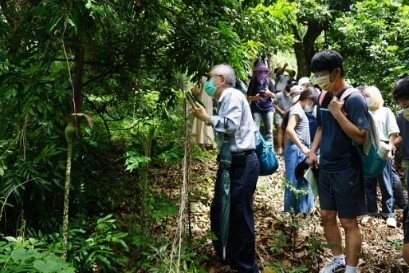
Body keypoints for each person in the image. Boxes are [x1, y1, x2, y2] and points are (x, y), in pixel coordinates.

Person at [191, 64, 260, 273]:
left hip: (243, 163)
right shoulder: (226, 98)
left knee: (240, 214)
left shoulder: (232, 95)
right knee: (222, 209)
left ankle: (247, 267)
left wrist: (206, 118)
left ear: (221, 79)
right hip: (231, 164)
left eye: (210, 78)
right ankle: (228, 255)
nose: (208, 83)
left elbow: (230, 125)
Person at [307, 50, 369, 273]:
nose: (318, 78)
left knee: (349, 221)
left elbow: (362, 136)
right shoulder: (323, 96)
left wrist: (338, 114)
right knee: (327, 215)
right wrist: (313, 151)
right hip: (326, 166)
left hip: (347, 168)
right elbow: (321, 127)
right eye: (315, 74)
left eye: (322, 73)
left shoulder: (354, 99)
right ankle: (337, 260)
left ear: (336, 72)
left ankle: (351, 269)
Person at [359, 86, 400, 228]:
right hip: (367, 150)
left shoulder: (386, 111)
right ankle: (370, 211)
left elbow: (393, 132)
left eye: (368, 95)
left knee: (386, 182)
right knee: (368, 184)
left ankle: (389, 213)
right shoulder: (364, 112)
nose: (366, 98)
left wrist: (389, 149)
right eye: (364, 96)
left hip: (383, 149)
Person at [283, 87, 316, 214]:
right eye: (313, 102)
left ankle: (302, 211)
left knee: (302, 181)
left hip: (300, 150)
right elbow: (289, 129)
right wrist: (302, 147)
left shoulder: (299, 110)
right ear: (308, 99)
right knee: (293, 181)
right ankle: (291, 212)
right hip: (296, 150)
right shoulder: (296, 110)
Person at [392, 76, 409, 265]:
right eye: (400, 100)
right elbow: (400, 137)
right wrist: (389, 145)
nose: (403, 103)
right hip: (407, 160)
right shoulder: (400, 116)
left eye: (405, 99)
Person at [247, 61, 276, 145]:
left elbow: (274, 96)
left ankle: (270, 151)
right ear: (256, 72)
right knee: (255, 129)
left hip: (268, 108)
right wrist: (258, 97)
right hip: (256, 108)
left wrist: (268, 93)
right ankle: (256, 148)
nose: (262, 73)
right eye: (260, 71)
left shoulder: (269, 81)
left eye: (264, 71)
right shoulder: (253, 82)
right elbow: (248, 98)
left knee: (269, 131)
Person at [191, 76, 214, 148]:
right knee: (208, 119)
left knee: (201, 119)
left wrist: (192, 90)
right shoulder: (213, 79)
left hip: (202, 101)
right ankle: (208, 141)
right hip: (209, 103)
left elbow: (197, 91)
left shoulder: (201, 78)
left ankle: (201, 141)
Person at [273, 82, 296, 154]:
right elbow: (274, 104)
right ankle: (279, 147)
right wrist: (281, 111)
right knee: (280, 129)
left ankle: (286, 147)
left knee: (287, 130)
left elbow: (293, 104)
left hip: (288, 113)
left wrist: (287, 111)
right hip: (279, 113)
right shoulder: (279, 95)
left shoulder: (292, 95)